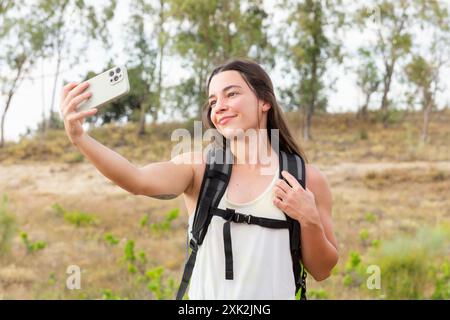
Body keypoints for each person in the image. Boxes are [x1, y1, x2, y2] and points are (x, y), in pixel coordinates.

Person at [60, 58, 338, 300]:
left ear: (264, 101)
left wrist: (309, 219)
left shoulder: (306, 179)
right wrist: (80, 138)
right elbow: (137, 179)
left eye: (231, 94)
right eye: (213, 101)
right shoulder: (199, 168)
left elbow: (322, 270)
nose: (219, 107)